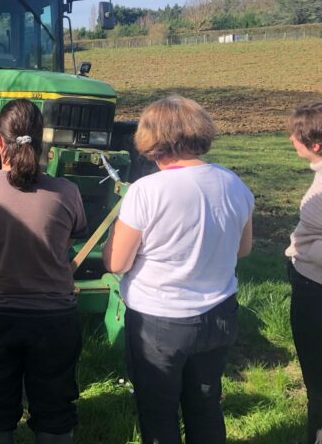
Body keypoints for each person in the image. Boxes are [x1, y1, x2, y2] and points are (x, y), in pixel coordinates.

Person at [103, 96, 254, 444]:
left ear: (152, 140)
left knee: (158, 415)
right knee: (206, 407)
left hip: (159, 323)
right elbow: (243, 250)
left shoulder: (146, 191)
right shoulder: (234, 183)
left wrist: (116, 233)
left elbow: (116, 263)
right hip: (218, 315)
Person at [0, 99, 88, 444]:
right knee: (55, 410)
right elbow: (70, 236)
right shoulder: (67, 193)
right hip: (54, 320)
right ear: (43, 140)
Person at [285, 102, 322, 444]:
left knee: (317, 379)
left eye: (295, 134)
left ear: (315, 144)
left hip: (316, 290)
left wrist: (300, 247)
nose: (289, 140)